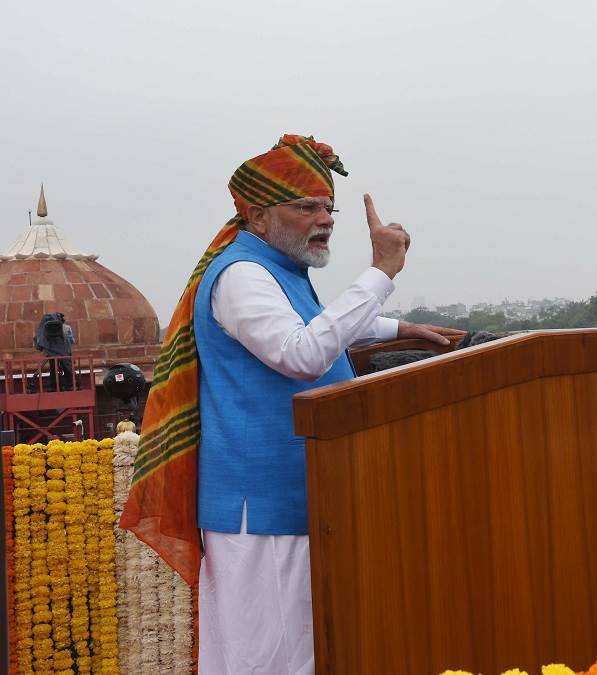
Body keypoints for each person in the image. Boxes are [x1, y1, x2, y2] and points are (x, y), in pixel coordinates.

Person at [120, 134, 463, 674]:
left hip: (296, 495)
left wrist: (400, 329)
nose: (324, 219)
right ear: (257, 214)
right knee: (270, 657)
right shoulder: (242, 275)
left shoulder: (276, 270)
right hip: (262, 508)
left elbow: (311, 327)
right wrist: (380, 273)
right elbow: (300, 353)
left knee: (294, 650)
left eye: (330, 207)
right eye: (307, 207)